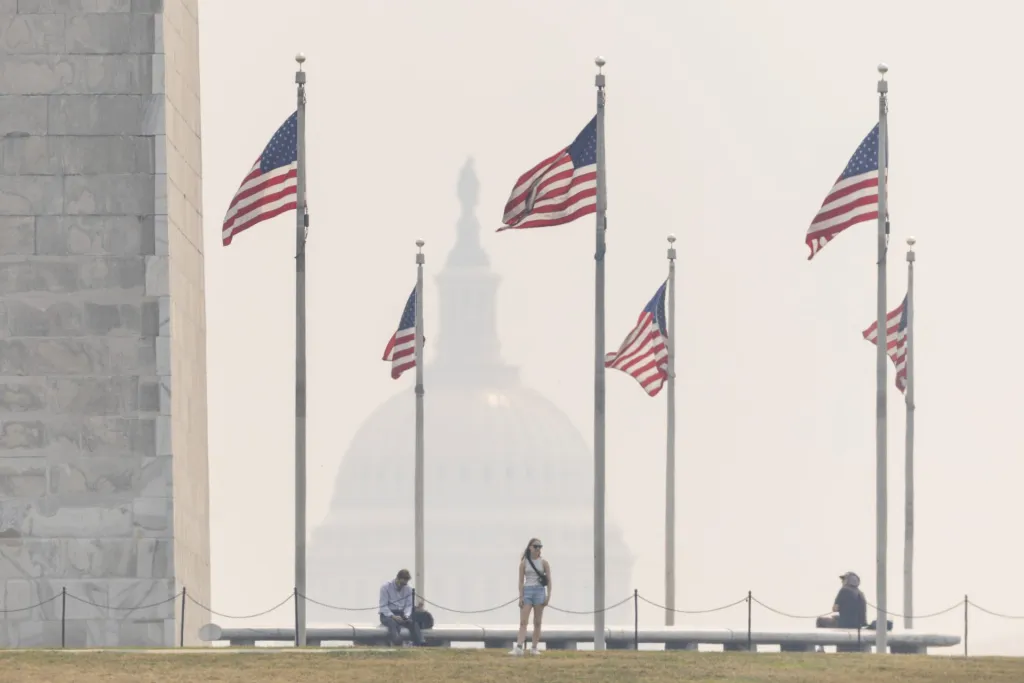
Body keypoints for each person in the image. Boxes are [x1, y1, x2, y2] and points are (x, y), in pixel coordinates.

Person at [509, 537, 551, 656]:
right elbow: (521, 581)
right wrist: (521, 596)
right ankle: (519, 646)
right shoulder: (524, 563)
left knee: (537, 622)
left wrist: (548, 595)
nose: (537, 549)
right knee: (523, 621)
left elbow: (549, 581)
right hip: (528, 591)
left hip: (539, 591)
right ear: (530, 548)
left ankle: (534, 647)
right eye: (535, 546)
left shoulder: (544, 563)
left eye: (539, 547)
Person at [379, 569, 425, 646]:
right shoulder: (385, 587)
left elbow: (408, 606)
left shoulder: (408, 589)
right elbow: (383, 607)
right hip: (387, 614)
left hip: (401, 613)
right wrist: (393, 616)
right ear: (397, 578)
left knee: (413, 623)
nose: (402, 586)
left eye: (404, 584)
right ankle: (397, 641)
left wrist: (406, 616)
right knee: (392, 623)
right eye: (401, 583)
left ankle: (420, 642)